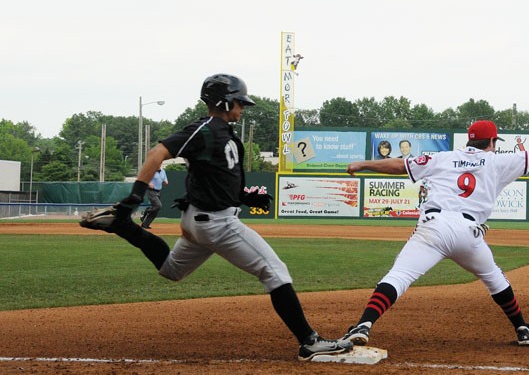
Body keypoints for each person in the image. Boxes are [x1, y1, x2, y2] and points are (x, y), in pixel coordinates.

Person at [79, 74, 352, 361]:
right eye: (239, 102)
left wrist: (244, 196)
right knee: (275, 272)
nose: (242, 108)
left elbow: (217, 176)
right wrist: (134, 197)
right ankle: (309, 342)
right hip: (217, 223)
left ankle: (125, 229)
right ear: (224, 101)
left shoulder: (221, 132)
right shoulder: (206, 130)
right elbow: (157, 153)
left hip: (199, 221)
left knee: (171, 270)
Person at [340, 98, 529, 348]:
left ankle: (364, 324)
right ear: (492, 142)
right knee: (494, 279)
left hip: (433, 227)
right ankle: (522, 328)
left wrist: (364, 164)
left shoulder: (441, 158)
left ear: (470, 141)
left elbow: (400, 165)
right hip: (468, 233)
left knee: (398, 277)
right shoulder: (497, 162)